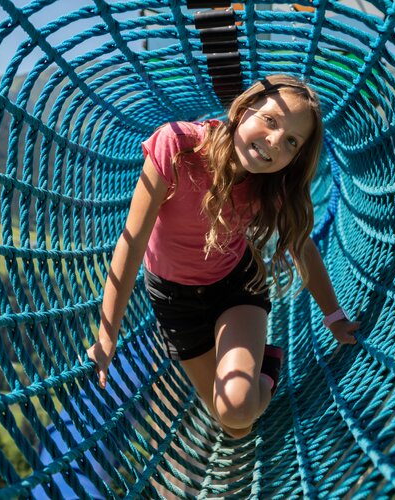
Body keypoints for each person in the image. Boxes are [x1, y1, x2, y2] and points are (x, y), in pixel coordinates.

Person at [86, 74, 359, 438]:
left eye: (291, 141)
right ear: (243, 109)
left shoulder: (271, 187)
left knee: (235, 411)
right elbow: (132, 242)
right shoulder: (178, 146)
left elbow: (301, 246)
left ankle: (260, 369)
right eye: (270, 120)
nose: (275, 141)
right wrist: (108, 336)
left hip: (234, 288)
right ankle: (266, 368)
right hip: (175, 301)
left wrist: (334, 316)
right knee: (236, 430)